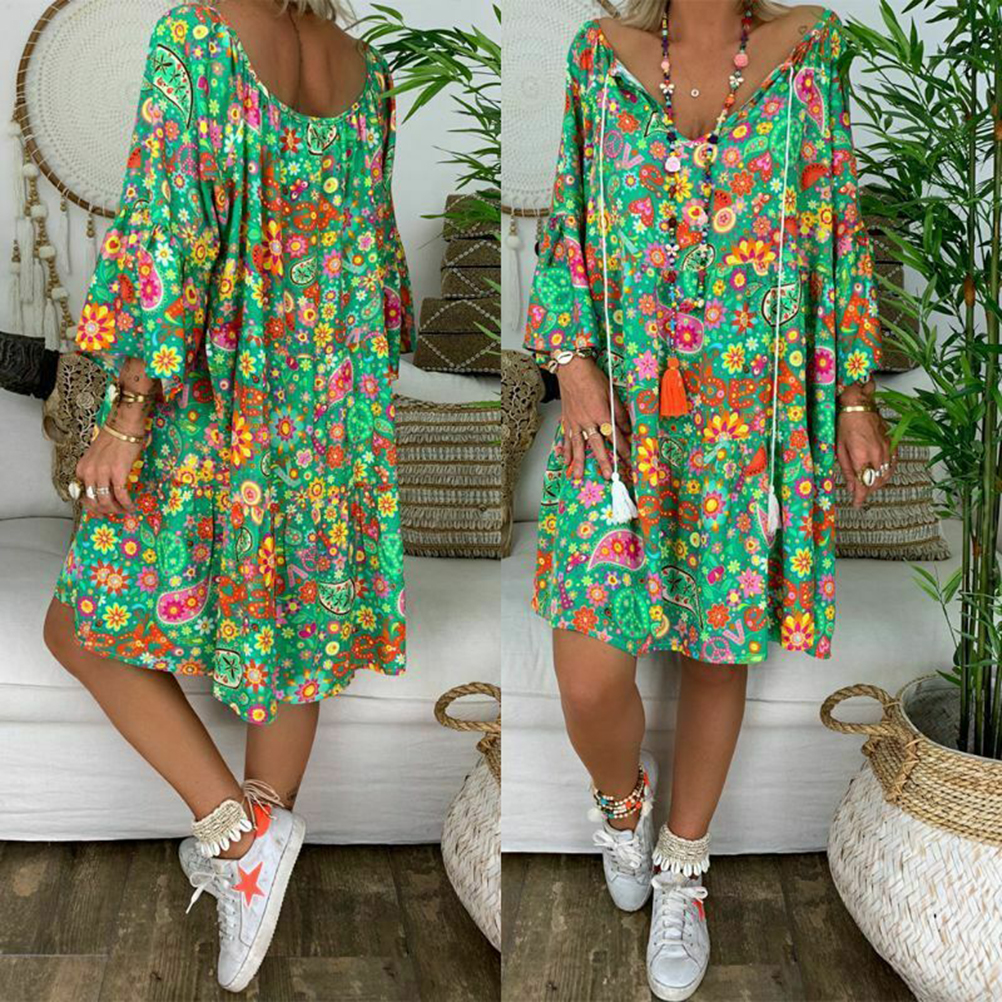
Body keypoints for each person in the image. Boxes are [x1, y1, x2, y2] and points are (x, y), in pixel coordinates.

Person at [42, 0, 412, 990]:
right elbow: (380, 266)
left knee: (76, 629)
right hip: (329, 407)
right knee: (290, 638)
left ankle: (240, 840)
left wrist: (127, 415)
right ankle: (256, 847)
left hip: (218, 403)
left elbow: (167, 238)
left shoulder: (197, 38)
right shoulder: (365, 68)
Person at [523, 2, 890, 998]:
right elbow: (568, 222)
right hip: (621, 415)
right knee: (587, 671)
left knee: (718, 649)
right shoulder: (599, 56)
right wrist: (571, 363)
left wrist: (855, 398)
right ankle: (623, 807)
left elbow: (837, 228)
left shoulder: (811, 48)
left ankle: (683, 872)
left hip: (747, 421)